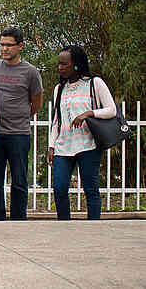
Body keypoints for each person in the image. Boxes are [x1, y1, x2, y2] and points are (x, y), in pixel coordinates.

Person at [47, 45, 115, 220]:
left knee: (90, 187)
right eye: (59, 64)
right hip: (64, 146)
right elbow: (56, 120)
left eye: (65, 64)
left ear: (76, 64)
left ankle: (93, 226)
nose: (60, 67)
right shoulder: (59, 88)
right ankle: (64, 224)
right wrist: (51, 146)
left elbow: (111, 110)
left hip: (88, 144)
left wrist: (89, 113)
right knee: (60, 187)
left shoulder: (94, 83)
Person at [0, 27, 43, 220]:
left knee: (19, 180)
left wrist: (22, 116)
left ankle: (19, 219)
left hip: (19, 134)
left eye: (9, 45)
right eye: (2, 44)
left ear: (20, 46)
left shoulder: (30, 72)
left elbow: (36, 101)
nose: (4, 49)